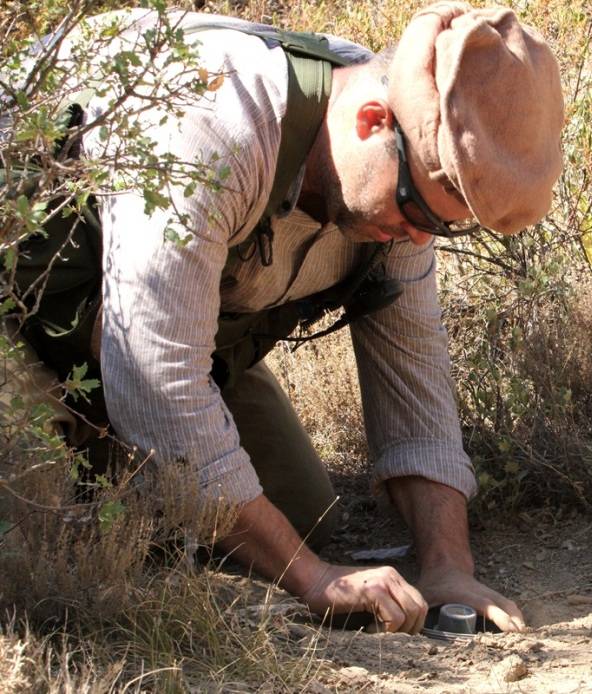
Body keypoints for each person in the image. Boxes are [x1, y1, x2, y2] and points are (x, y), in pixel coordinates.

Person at [5, 3, 563, 635]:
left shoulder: (403, 185)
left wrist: (446, 567)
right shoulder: (214, 126)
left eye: (439, 227)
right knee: (36, 541)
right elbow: (156, 381)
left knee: (300, 519)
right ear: (372, 121)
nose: (415, 241)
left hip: (150, 333)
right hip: (22, 318)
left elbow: (416, 387)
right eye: (416, 213)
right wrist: (311, 577)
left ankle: (117, 476)